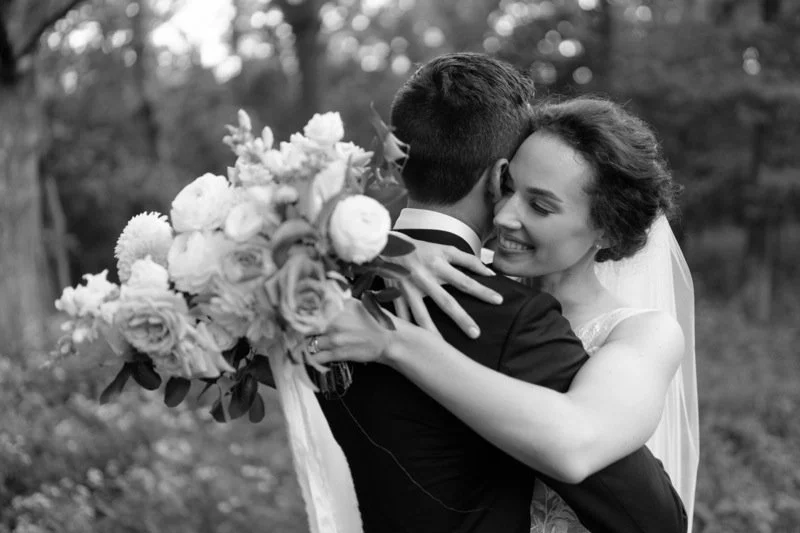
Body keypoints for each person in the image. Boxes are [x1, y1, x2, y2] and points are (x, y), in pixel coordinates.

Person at [311, 96, 698, 532]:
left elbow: (575, 446)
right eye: (509, 187)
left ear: (607, 230)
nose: (506, 213)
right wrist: (392, 247)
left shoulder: (646, 333)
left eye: (541, 206)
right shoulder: (451, 273)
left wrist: (394, 341)